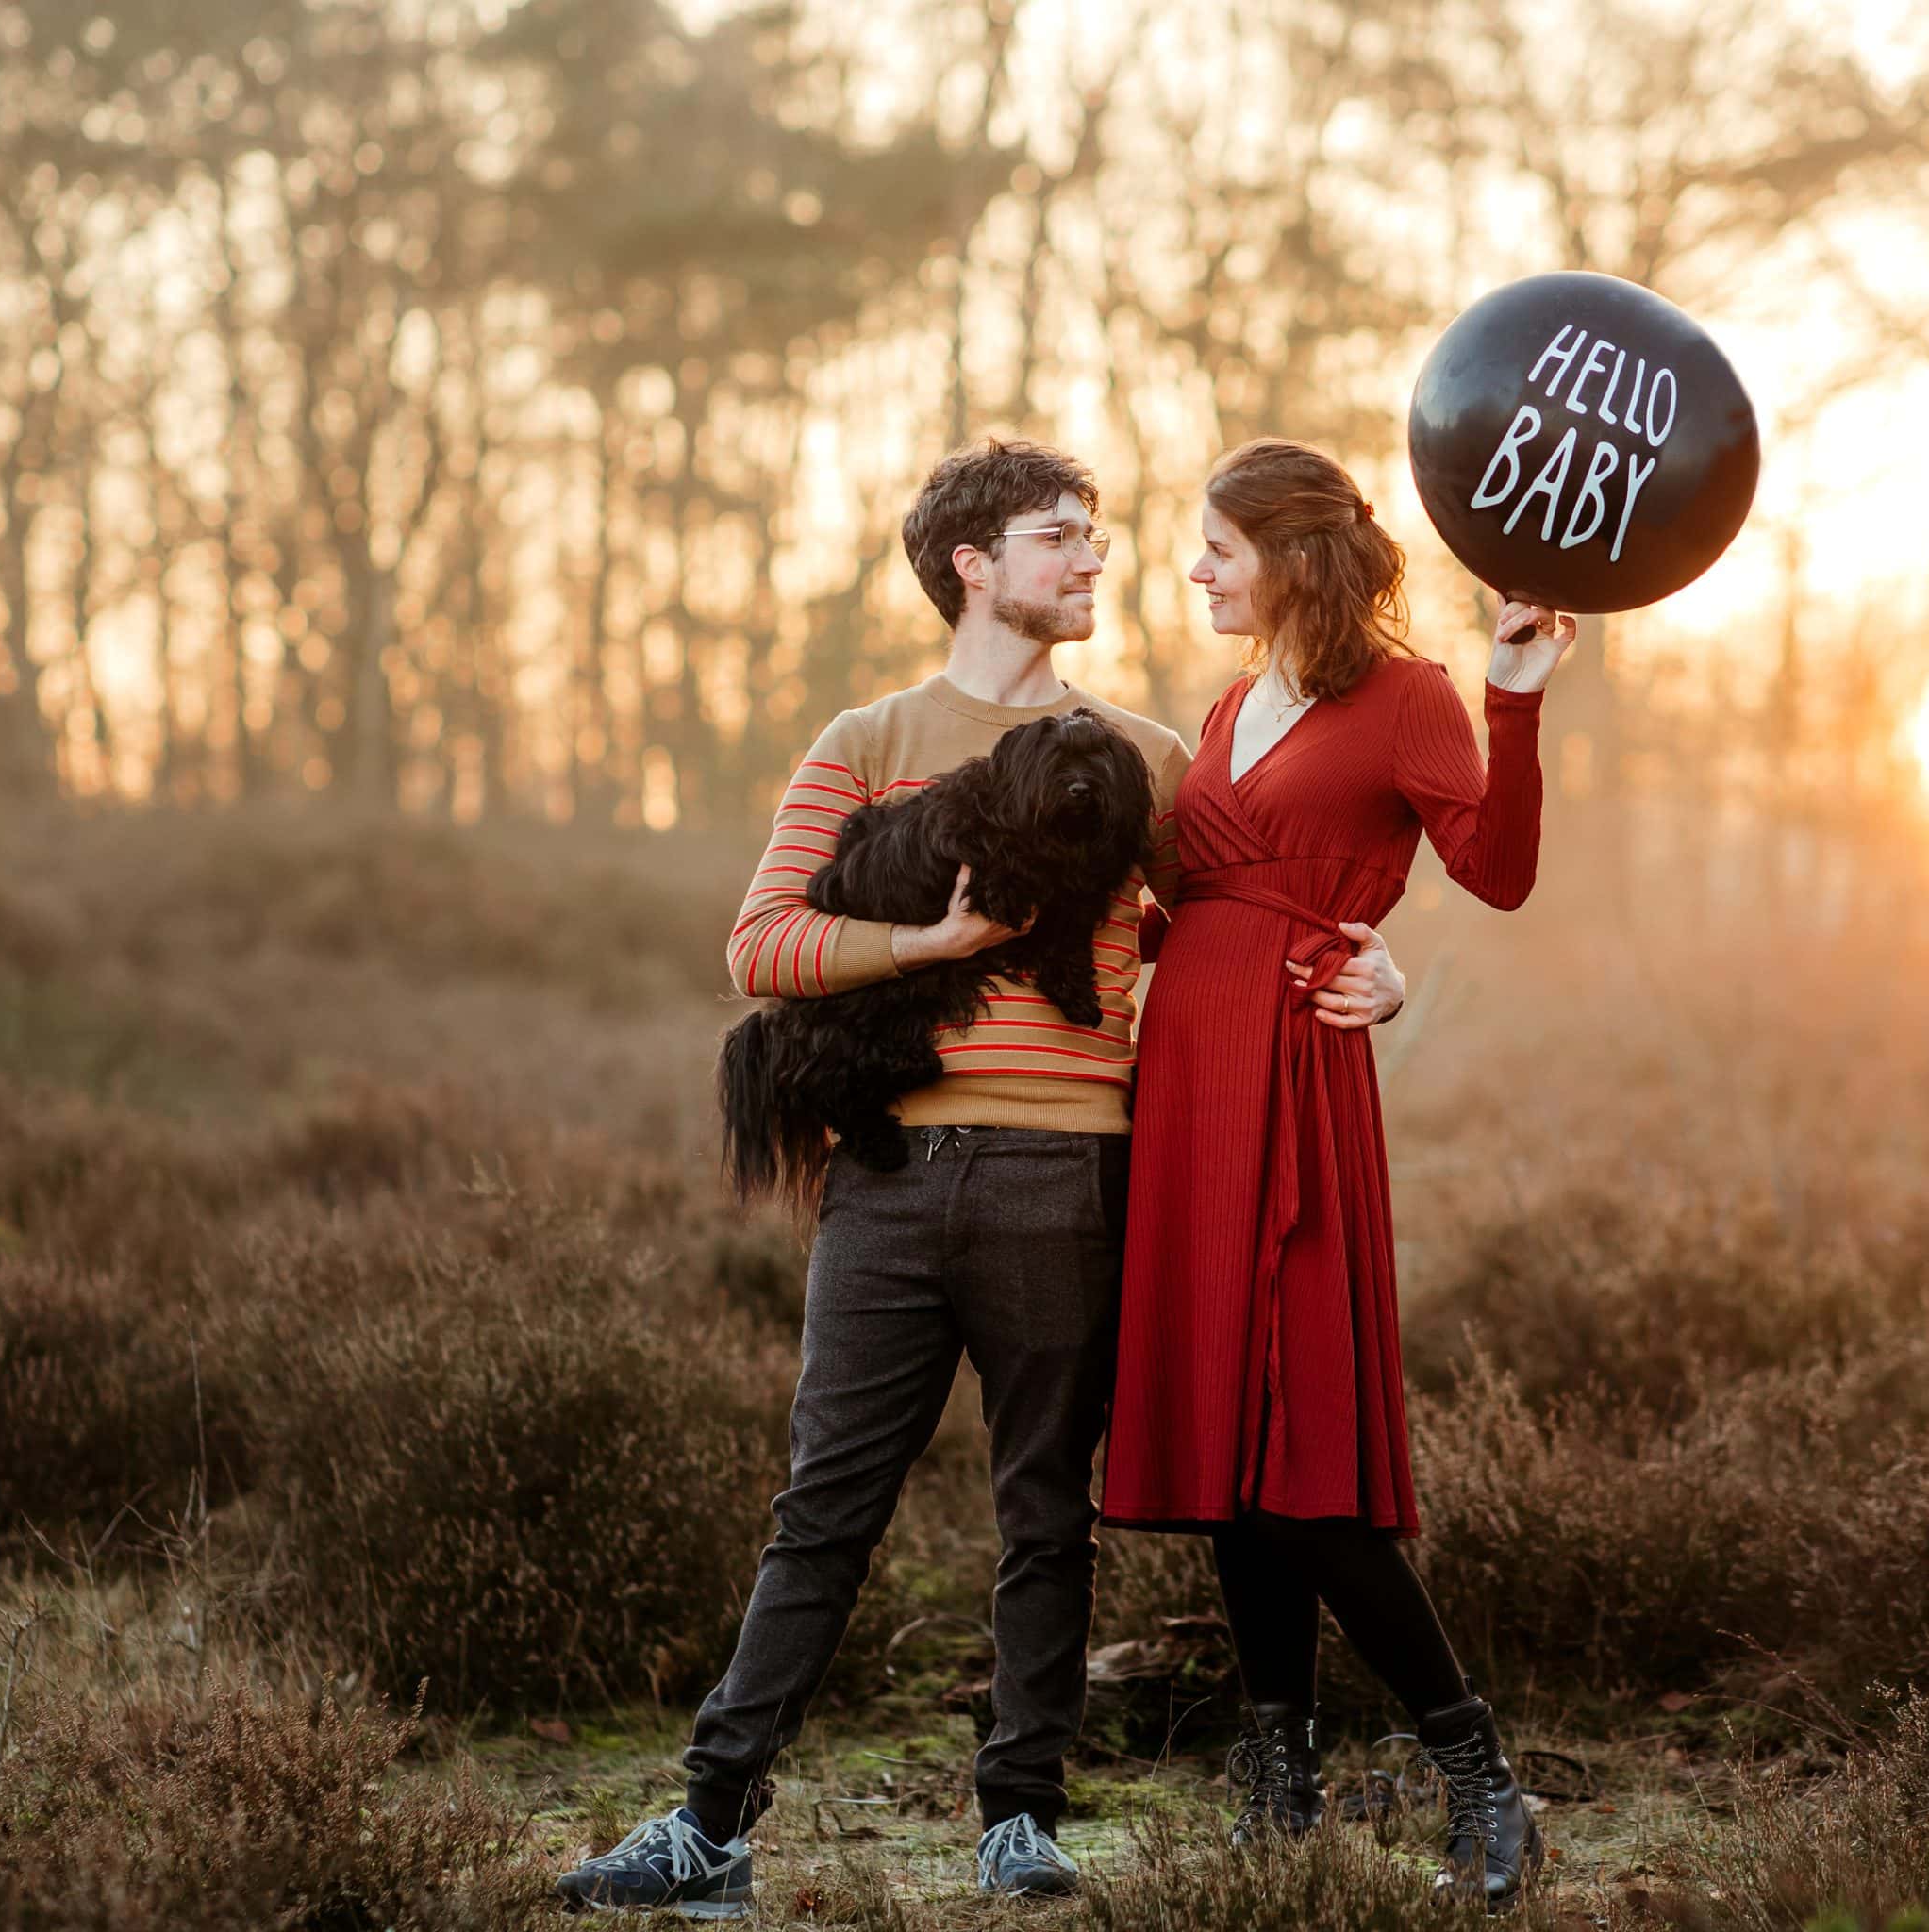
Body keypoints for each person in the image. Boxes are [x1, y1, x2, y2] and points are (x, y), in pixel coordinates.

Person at [553, 438, 1405, 1919]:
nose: (1093, 560)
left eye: (1096, 537)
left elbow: (1247, 920)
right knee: (824, 1508)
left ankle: (1020, 1820)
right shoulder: (868, 738)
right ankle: (709, 1827)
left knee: (1042, 1518)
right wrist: (926, 949)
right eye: (1061, 538)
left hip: (1069, 1179)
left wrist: (1374, 965)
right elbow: (760, 945)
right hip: (886, 1182)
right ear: (973, 564)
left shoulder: (1143, 754)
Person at [1102, 437, 1575, 1912]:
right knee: (1240, 1461)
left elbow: (1492, 870)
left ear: (1291, 554)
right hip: (1184, 1084)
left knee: (1305, 1461)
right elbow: (1194, 896)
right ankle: (1278, 1779)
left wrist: (1516, 695)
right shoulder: (1231, 704)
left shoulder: (1409, 698)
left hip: (1295, 1085)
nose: (1194, 573)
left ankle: (1484, 1785)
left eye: (1217, 549)